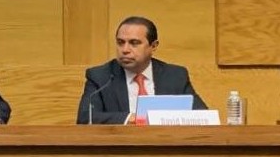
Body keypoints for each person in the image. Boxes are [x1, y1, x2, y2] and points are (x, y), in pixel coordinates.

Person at [76, 16, 207, 125]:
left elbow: (203, 116)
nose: (125, 50)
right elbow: (85, 118)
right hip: (121, 145)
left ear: (153, 46)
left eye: (134, 43)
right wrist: (130, 118)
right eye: (120, 42)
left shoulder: (175, 76)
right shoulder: (101, 77)